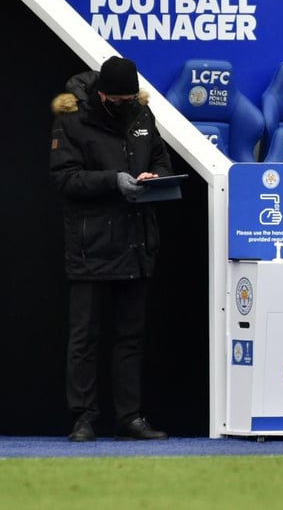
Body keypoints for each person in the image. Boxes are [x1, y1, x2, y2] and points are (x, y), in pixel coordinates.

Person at [50, 56, 171, 442]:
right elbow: (65, 178)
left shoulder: (141, 115)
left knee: (130, 337)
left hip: (136, 241)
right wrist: (114, 181)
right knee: (84, 337)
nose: (124, 105)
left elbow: (163, 162)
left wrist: (155, 179)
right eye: (116, 100)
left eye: (129, 99)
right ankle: (83, 418)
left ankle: (130, 418)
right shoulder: (72, 118)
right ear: (101, 93)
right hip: (91, 244)